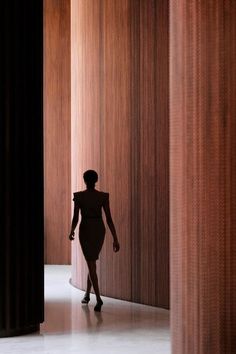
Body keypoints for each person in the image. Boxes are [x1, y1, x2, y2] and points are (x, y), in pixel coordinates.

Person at [68, 170, 120, 312]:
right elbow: (109, 219)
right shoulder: (102, 197)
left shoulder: (79, 196)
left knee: (91, 263)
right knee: (91, 263)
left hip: (85, 228)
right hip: (98, 229)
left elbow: (75, 218)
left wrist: (72, 230)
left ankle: (98, 298)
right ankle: (86, 295)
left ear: (84, 180)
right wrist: (115, 238)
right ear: (96, 180)